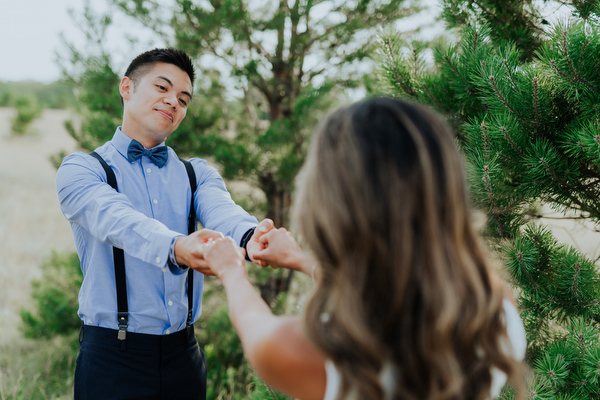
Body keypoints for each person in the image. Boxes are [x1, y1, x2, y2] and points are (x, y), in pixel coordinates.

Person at [200, 97, 527, 399]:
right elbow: (397, 280)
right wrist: (298, 258)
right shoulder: (494, 311)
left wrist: (230, 269)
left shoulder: (314, 355)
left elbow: (255, 326)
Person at [56, 48, 272, 400]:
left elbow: (224, 212)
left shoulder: (196, 173)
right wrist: (177, 246)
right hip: (112, 359)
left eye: (184, 99)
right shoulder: (82, 169)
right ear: (127, 87)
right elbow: (117, 219)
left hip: (184, 358)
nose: (174, 102)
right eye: (162, 88)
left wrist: (252, 236)